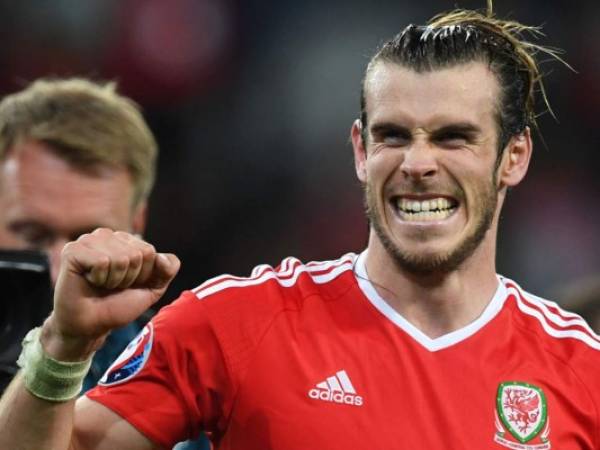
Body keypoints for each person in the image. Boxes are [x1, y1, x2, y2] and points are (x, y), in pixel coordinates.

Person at [1, 4, 599, 449]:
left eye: (454, 137)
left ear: (513, 157)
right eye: (393, 135)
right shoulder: (232, 325)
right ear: (361, 150)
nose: (419, 164)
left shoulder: (582, 371)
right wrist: (63, 345)